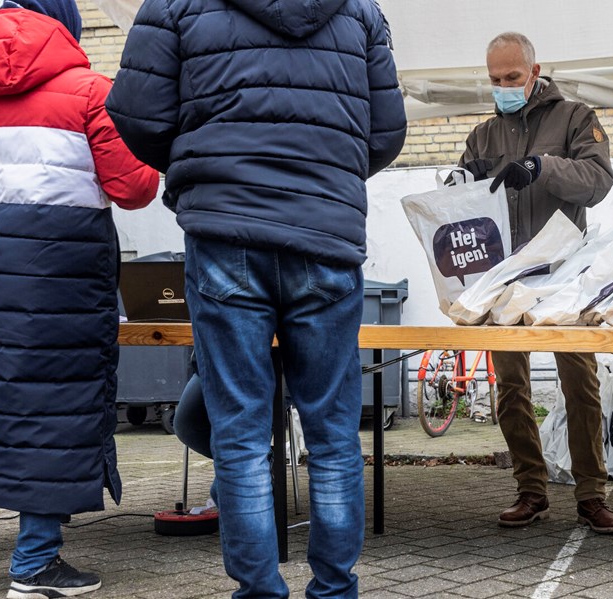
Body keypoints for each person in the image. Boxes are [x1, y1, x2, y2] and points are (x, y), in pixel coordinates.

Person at [105, 0, 406, 596]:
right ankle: (334, 589)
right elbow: (385, 133)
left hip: (225, 233)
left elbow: (136, 114)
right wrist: (324, 176)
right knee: (333, 432)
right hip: (325, 233)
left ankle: (260, 590)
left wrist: (207, 162)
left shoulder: (173, 4)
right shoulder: (360, 11)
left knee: (240, 434)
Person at [0, 1, 160, 597]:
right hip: (64, 280)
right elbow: (136, 188)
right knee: (57, 411)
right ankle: (35, 566)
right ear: (65, 22)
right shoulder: (91, 91)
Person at [458, 32, 613, 534]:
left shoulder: (575, 118)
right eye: (494, 80)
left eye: (512, 78)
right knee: (511, 387)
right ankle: (530, 490)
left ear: (535, 72)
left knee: (580, 385)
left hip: (565, 274)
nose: (503, 87)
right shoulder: (483, 136)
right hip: (503, 278)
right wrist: (456, 186)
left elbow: (598, 182)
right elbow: (467, 199)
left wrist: (544, 167)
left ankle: (592, 494)